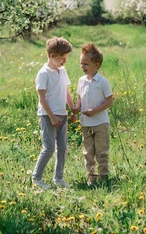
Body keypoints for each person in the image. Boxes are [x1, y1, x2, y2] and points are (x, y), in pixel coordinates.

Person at [32, 37, 76, 189]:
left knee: (63, 148)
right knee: (49, 148)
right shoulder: (43, 73)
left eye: (66, 59)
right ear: (52, 56)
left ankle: (58, 178)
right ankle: (36, 178)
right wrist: (51, 116)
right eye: (62, 58)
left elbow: (67, 92)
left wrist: (72, 108)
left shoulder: (62, 72)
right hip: (47, 115)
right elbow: (42, 98)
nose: (65, 62)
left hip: (62, 114)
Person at [74, 43, 114, 186]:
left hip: (100, 123)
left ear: (96, 65)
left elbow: (109, 101)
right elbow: (79, 99)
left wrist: (95, 111)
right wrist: (76, 109)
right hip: (86, 123)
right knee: (88, 153)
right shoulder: (81, 81)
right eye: (81, 63)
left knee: (102, 152)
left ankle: (104, 177)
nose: (82, 67)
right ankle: (91, 176)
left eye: (86, 64)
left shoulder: (103, 82)